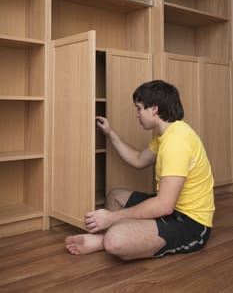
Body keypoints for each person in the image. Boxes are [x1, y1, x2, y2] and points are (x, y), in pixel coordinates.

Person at [65, 80, 215, 260]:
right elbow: (138, 159)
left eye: (139, 108)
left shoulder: (177, 142)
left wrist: (112, 218)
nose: (137, 114)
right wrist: (110, 133)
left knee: (115, 239)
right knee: (115, 196)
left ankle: (102, 241)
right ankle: (125, 234)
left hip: (190, 223)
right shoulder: (165, 135)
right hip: (171, 207)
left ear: (154, 109)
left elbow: (164, 206)